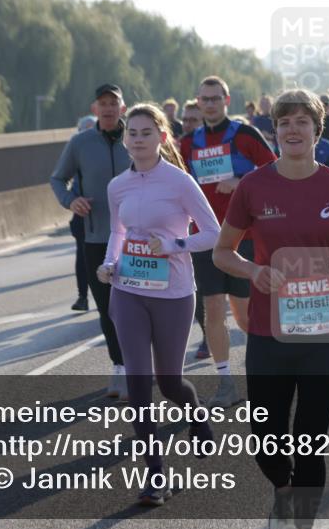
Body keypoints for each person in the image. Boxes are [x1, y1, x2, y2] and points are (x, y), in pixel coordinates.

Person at [212, 89, 329, 529]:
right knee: (266, 440)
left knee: (309, 440)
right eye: (284, 122)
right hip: (268, 331)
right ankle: (284, 490)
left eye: (302, 121)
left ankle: (299, 528)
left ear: (317, 131)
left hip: (326, 333)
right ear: (275, 131)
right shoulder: (254, 186)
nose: (293, 129)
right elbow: (222, 252)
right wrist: (252, 270)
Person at [96, 103, 219, 505]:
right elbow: (118, 232)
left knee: (169, 383)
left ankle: (195, 410)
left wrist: (171, 246)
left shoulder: (180, 182)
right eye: (132, 132)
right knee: (138, 381)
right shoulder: (118, 186)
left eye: (146, 132)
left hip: (174, 292)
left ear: (162, 138)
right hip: (128, 290)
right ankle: (155, 474)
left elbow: (213, 234)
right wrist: (110, 263)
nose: (137, 139)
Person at [180, 75, 277, 408]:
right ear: (197, 101)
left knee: (245, 316)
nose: (210, 104)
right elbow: (176, 184)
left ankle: (268, 372)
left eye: (215, 98)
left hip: (243, 237)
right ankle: (226, 383)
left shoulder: (245, 134)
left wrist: (240, 181)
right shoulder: (187, 143)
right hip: (205, 238)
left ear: (227, 100)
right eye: (204, 99)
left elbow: (275, 172)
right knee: (212, 312)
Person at [50, 83, 130, 399]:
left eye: (114, 102)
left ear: (122, 108)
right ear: (95, 109)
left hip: (137, 240)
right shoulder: (80, 143)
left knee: (141, 306)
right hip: (96, 238)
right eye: (102, 103)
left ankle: (143, 361)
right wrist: (71, 201)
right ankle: (121, 367)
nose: (108, 108)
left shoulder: (137, 138)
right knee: (109, 308)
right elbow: (57, 178)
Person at [180, 101, 212, 359]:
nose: (188, 124)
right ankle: (207, 338)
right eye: (186, 119)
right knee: (201, 287)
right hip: (192, 230)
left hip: (224, 226)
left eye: (194, 119)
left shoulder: (212, 147)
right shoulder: (178, 148)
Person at [69, 113, 98, 312]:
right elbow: (60, 179)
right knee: (83, 256)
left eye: (91, 130)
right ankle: (82, 296)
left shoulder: (111, 149)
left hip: (107, 215)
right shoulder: (74, 152)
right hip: (83, 214)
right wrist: (72, 200)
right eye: (83, 130)